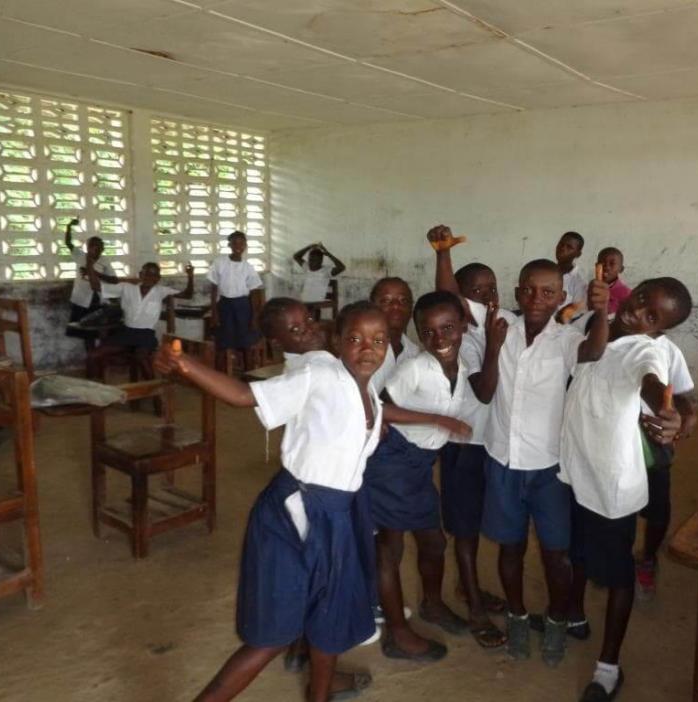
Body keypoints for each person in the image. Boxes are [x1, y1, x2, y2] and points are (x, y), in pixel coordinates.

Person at [154, 301, 392, 702]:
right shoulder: (318, 372)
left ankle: (320, 695)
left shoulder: (364, 387)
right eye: (355, 340)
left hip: (338, 513)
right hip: (296, 515)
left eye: (378, 341)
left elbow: (354, 430)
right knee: (274, 633)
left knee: (330, 616)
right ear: (338, 341)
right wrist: (185, 365)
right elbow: (242, 395)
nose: (368, 349)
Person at [558, 278, 692, 701]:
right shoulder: (599, 322)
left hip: (613, 483)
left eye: (653, 316)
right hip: (574, 467)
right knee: (576, 552)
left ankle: (608, 667)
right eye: (639, 301)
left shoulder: (646, 349)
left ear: (661, 329)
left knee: (617, 574)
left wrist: (669, 412)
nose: (638, 314)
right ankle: (575, 613)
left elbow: (654, 382)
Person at [475, 258, 610, 666]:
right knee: (510, 547)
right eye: (529, 290)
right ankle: (517, 615)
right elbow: (484, 391)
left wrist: (601, 310)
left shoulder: (566, 339)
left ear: (562, 298)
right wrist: (494, 346)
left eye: (548, 292)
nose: (537, 299)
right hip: (502, 459)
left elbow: (593, 351)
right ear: (517, 292)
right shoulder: (500, 329)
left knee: (556, 553)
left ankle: (556, 618)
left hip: (549, 466)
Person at [365, 291, 478, 661]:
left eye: (448, 328)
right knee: (390, 546)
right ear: (419, 333)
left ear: (463, 325)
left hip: (418, 464)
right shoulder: (414, 366)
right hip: (393, 462)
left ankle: (431, 604)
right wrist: (438, 420)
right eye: (428, 332)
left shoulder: (462, 365)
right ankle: (397, 632)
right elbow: (381, 407)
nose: (439, 339)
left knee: (432, 542)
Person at [426, 224, 514, 646]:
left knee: (477, 522)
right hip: (464, 444)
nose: (485, 295)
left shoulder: (493, 324)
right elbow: (483, 389)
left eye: (490, 288)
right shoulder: (462, 332)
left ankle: (468, 586)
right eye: (475, 290)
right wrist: (444, 256)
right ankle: (474, 605)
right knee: (463, 527)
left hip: (490, 443)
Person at [635, 331, 697, 599]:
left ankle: (648, 557)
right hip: (612, 437)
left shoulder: (668, 350)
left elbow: (679, 393)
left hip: (653, 436)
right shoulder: (611, 340)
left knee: (658, 504)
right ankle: (611, 557)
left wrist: (687, 413)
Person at [87, 261, 193, 380]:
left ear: (158, 278)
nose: (149, 277)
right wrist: (89, 264)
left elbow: (187, 295)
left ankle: (153, 391)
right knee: (93, 355)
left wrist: (190, 275)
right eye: (146, 273)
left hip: (146, 335)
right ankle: (94, 388)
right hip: (126, 333)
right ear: (140, 275)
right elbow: (96, 286)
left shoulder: (161, 291)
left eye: (153, 275)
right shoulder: (126, 288)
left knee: (141, 357)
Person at [63, 218, 119, 375]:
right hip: (81, 301)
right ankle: (91, 368)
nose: (95, 250)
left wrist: (96, 273)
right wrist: (68, 227)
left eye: (98, 247)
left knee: (101, 335)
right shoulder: (80, 256)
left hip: (98, 302)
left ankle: (99, 368)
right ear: (87, 247)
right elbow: (68, 242)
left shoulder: (105, 261)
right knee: (87, 337)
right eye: (92, 246)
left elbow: (114, 280)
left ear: (102, 249)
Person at [208, 230, 264, 372]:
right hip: (225, 306)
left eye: (242, 243)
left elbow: (254, 293)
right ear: (229, 245)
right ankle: (219, 378)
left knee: (246, 344)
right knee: (222, 343)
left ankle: (249, 376)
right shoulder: (219, 262)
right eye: (235, 243)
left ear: (245, 245)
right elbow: (214, 288)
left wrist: (254, 317)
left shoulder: (248, 267)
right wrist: (214, 312)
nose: (238, 246)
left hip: (243, 307)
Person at [369, 277, 418, 393]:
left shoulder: (413, 352)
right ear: (372, 307)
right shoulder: (362, 349)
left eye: (403, 301)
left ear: (411, 309)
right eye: (386, 301)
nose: (396, 306)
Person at [293, 242, 346, 314]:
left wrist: (328, 254)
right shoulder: (307, 267)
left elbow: (341, 267)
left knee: (309, 313)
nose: (311, 262)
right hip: (304, 301)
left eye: (314, 260)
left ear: (320, 261)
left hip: (316, 302)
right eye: (310, 259)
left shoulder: (326, 271)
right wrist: (309, 247)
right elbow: (296, 256)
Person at [556, 231, 587, 309]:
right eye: (561, 244)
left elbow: (576, 311)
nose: (563, 248)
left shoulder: (580, 281)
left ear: (578, 254)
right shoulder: (545, 271)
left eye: (569, 247)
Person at [597, 247, 632, 315]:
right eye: (602, 263)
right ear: (596, 265)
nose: (606, 267)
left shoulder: (626, 295)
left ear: (621, 269)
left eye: (612, 263)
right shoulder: (588, 288)